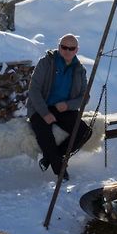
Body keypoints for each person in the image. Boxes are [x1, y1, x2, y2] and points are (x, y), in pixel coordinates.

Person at [27, 34, 90, 181]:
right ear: (58, 46)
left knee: (84, 132)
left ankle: (52, 158)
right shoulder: (46, 63)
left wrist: (68, 105)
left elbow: (84, 97)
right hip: (40, 106)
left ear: (76, 50)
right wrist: (44, 113)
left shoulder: (79, 70)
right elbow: (34, 90)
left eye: (71, 48)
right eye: (64, 47)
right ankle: (61, 172)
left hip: (63, 109)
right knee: (44, 134)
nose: (67, 51)